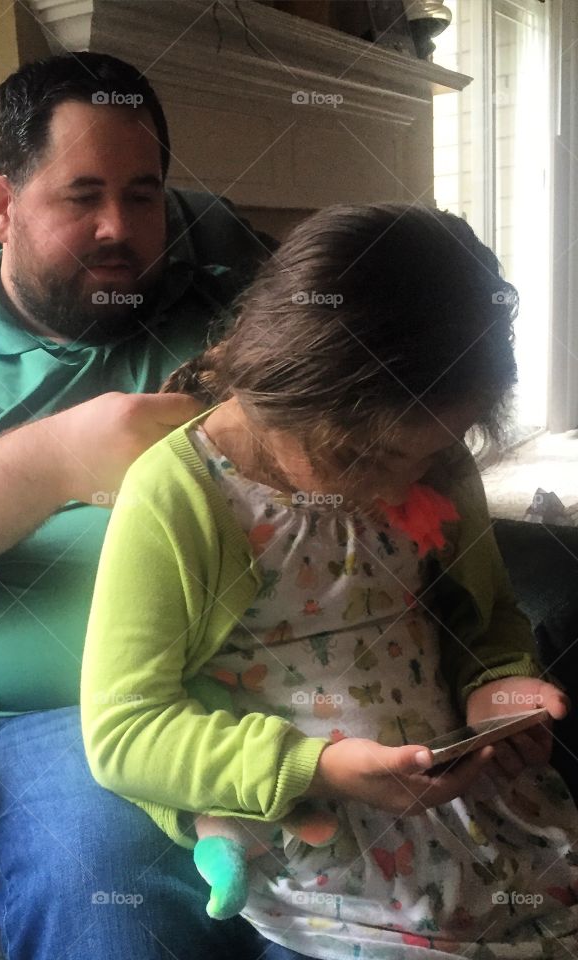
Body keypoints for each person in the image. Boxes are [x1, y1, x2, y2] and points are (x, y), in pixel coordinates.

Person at [0, 52, 276, 959]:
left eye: (144, 196)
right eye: (83, 196)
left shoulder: (236, 325)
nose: (120, 228)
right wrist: (67, 455)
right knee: (106, 906)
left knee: (385, 900)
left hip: (281, 686)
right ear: (3, 208)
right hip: (62, 725)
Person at [80, 203, 578, 960]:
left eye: (432, 455)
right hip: (327, 847)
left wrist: (498, 689)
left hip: (476, 815)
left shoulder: (435, 460)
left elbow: (490, 621)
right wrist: (315, 768)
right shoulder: (181, 494)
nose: (404, 485)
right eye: (373, 461)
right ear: (295, 395)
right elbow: (123, 732)